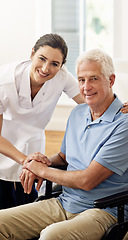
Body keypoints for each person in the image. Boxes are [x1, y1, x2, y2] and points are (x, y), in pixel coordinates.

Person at [0, 48, 128, 240]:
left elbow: (87, 181)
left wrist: (40, 170)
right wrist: (42, 162)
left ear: (111, 80)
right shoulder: (78, 113)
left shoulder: (127, 124)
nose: (86, 87)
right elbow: (64, 158)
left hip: (103, 211)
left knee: (51, 236)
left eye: (94, 79)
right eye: (82, 80)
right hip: (65, 202)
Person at [0, 33, 84, 209]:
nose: (46, 68)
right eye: (42, 59)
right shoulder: (4, 82)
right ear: (32, 54)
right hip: (4, 145)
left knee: (27, 206)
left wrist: (120, 107)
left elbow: (91, 100)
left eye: (55, 64)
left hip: (33, 145)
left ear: (61, 66)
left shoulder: (62, 77)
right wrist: (26, 160)